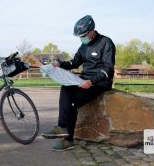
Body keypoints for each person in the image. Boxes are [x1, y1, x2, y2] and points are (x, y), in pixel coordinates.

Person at [42, 15, 116, 151]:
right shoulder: (84, 45)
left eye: (83, 35)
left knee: (72, 103)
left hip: (100, 82)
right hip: (84, 79)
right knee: (65, 88)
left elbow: (108, 69)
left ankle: (68, 139)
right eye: (79, 36)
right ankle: (62, 128)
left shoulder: (106, 43)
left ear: (92, 31)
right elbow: (75, 62)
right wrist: (60, 64)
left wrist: (92, 81)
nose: (82, 38)